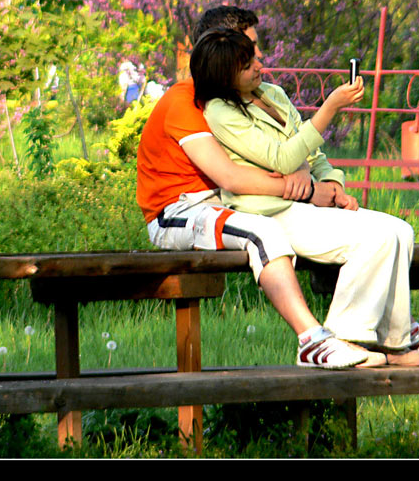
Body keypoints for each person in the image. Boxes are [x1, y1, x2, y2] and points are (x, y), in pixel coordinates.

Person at [193, 19, 419, 366]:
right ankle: (342, 340)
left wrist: (333, 185)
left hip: (305, 204)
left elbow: (310, 153)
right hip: (270, 212)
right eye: (247, 64)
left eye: (254, 58)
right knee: (375, 239)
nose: (259, 65)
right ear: (224, 74)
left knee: (401, 231)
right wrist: (330, 108)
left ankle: (396, 341)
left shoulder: (273, 94)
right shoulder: (220, 111)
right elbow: (282, 158)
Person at [136, 55, 372, 370]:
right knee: (262, 231)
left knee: (360, 229)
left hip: (226, 203)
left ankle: (390, 335)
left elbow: (283, 152)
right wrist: (308, 192)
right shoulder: (185, 102)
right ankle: (312, 338)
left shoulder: (243, 99)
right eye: (246, 58)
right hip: (180, 209)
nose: (259, 64)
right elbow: (230, 177)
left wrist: (316, 178)